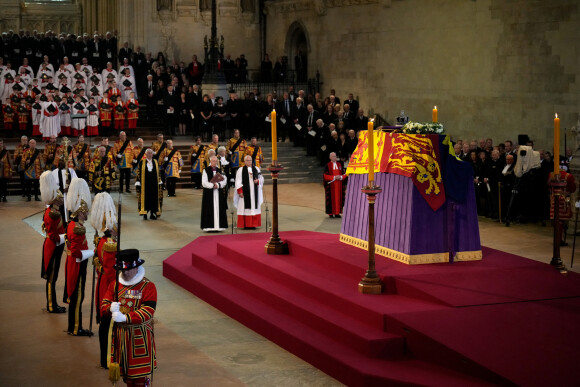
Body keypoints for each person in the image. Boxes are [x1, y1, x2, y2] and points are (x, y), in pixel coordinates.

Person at [101, 248, 157, 387]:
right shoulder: (115, 284)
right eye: (122, 269)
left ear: (136, 267)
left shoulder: (148, 286)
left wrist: (126, 318)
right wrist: (109, 308)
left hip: (139, 337)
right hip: (120, 337)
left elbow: (148, 311)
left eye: (128, 269)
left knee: (138, 378)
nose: (125, 272)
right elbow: (104, 303)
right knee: (127, 377)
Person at [89, 192, 118, 369]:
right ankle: (106, 359)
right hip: (109, 287)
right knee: (108, 324)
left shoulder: (101, 240)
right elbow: (111, 271)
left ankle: (105, 357)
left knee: (106, 324)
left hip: (103, 284)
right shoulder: (109, 243)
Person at [63, 177, 93, 336]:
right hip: (77, 263)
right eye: (86, 211)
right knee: (77, 297)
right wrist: (91, 253)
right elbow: (75, 251)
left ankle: (73, 326)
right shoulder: (78, 228)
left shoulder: (73, 224)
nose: (88, 213)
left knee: (76, 297)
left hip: (73, 263)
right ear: (81, 213)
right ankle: (76, 328)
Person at [39, 170, 66, 313]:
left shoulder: (53, 211)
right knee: (52, 277)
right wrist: (66, 237)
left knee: (53, 276)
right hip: (53, 246)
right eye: (60, 198)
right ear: (56, 200)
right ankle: (51, 305)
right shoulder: (53, 214)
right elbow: (54, 235)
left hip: (55, 245)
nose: (62, 200)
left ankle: (53, 303)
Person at [234, 155, 264, 229]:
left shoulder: (256, 169)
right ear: (244, 161)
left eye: (250, 160)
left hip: (254, 193)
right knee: (245, 208)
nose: (249, 162)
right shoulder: (241, 170)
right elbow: (238, 182)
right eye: (247, 160)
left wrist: (258, 181)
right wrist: (240, 191)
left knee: (254, 207)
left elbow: (261, 179)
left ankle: (253, 224)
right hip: (245, 193)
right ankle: (246, 225)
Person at [201, 155, 228, 231]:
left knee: (219, 208)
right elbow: (204, 182)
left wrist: (218, 185)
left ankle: (219, 227)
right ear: (210, 161)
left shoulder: (220, 170)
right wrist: (212, 185)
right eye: (213, 161)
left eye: (216, 161)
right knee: (209, 209)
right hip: (209, 193)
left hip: (218, 192)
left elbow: (224, 181)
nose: (214, 162)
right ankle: (209, 227)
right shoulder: (205, 170)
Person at [135, 148, 163, 220]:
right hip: (145, 184)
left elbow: (158, 172)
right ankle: (145, 213)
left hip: (154, 184)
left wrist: (160, 180)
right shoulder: (142, 162)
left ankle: (152, 214)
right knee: (145, 198)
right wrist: (138, 181)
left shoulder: (155, 162)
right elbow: (138, 172)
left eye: (151, 153)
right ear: (146, 154)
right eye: (148, 153)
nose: (150, 154)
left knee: (153, 198)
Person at [323, 152, 347, 218]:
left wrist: (341, 177)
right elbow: (325, 176)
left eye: (335, 156)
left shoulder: (340, 164)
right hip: (331, 186)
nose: (334, 158)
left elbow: (344, 174)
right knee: (331, 199)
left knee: (339, 198)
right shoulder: (328, 165)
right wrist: (334, 177)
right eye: (333, 156)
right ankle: (331, 213)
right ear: (330, 157)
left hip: (339, 185)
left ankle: (337, 213)